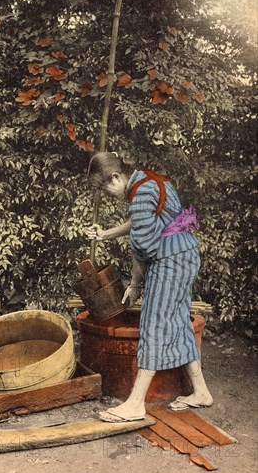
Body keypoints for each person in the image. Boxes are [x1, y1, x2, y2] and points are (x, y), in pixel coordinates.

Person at [86, 151, 213, 422]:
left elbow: (142, 247)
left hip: (169, 262)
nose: (104, 194)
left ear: (117, 177)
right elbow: (143, 222)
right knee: (178, 320)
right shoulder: (148, 180)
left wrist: (134, 285)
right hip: (185, 255)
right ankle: (201, 391)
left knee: (153, 325)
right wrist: (106, 234)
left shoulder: (140, 195)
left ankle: (135, 403)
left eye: (103, 187)